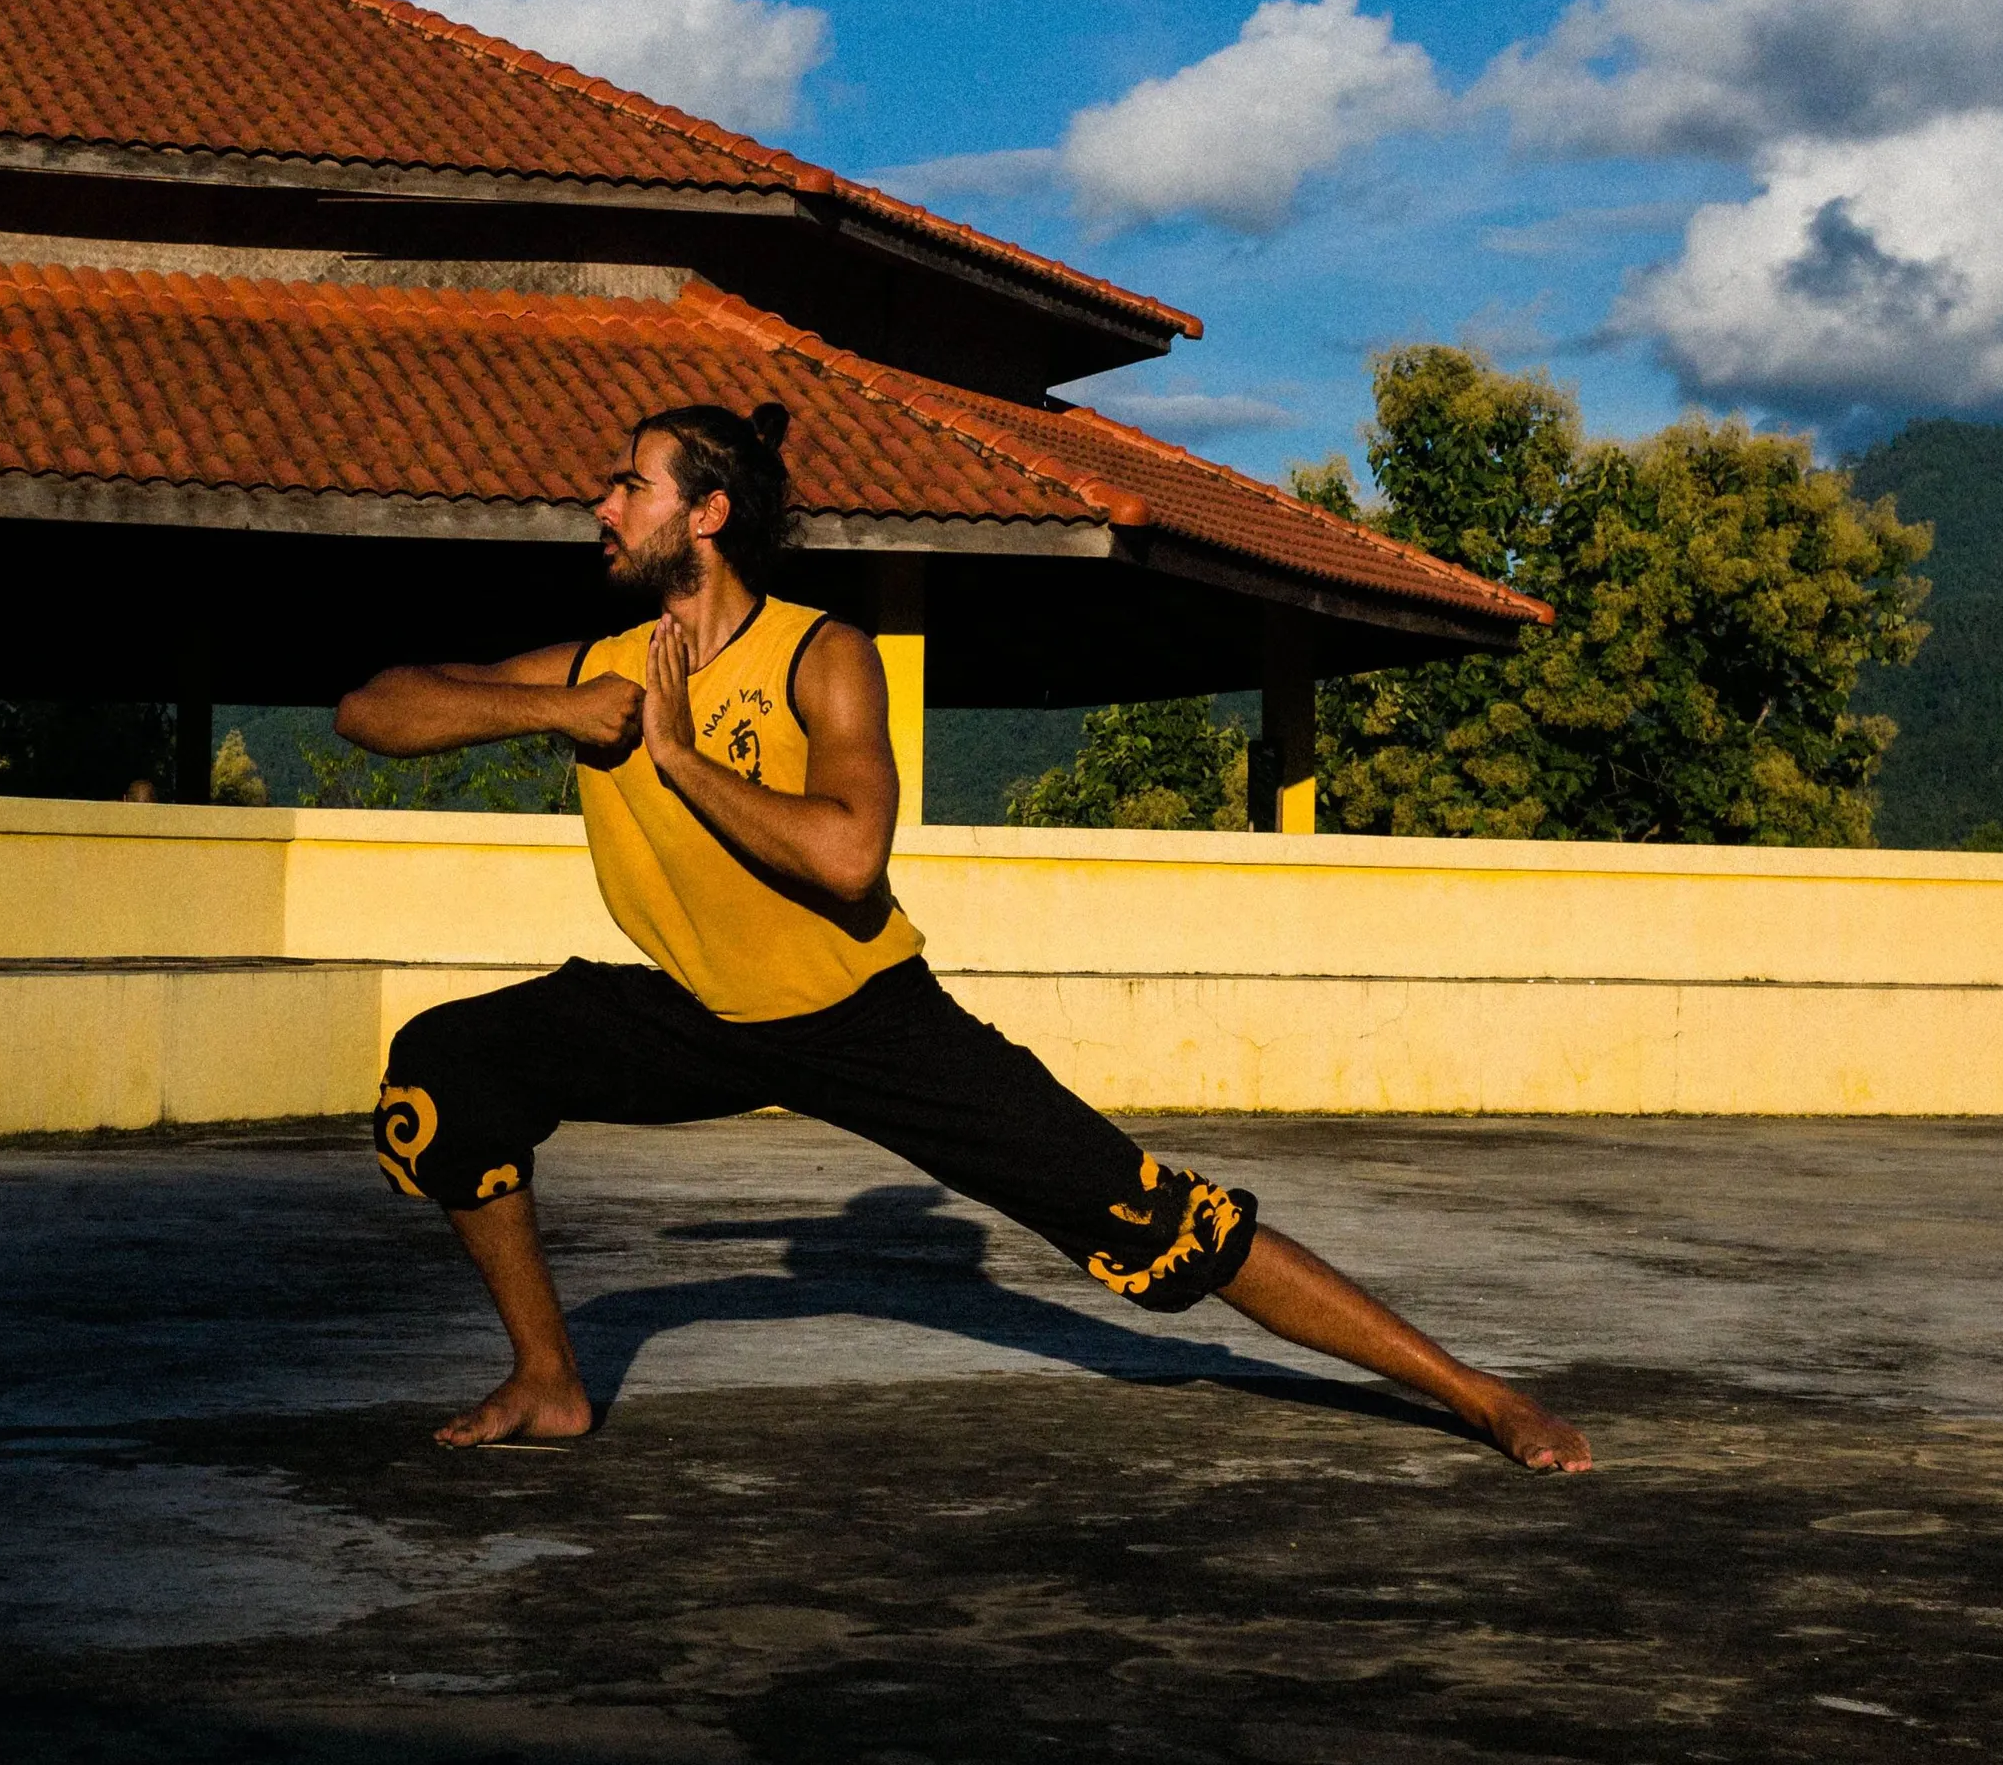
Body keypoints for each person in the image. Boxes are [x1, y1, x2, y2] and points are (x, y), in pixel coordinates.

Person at [332, 401, 1593, 1473]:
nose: (601, 507)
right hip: (698, 1013)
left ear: (705, 515)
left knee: (1155, 1226)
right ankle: (551, 1381)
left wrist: (675, 755)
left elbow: (847, 856)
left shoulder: (819, 656)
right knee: (448, 1068)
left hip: (867, 1019)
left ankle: (1471, 1389)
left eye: (627, 485)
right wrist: (549, 707)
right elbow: (369, 709)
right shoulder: (605, 658)